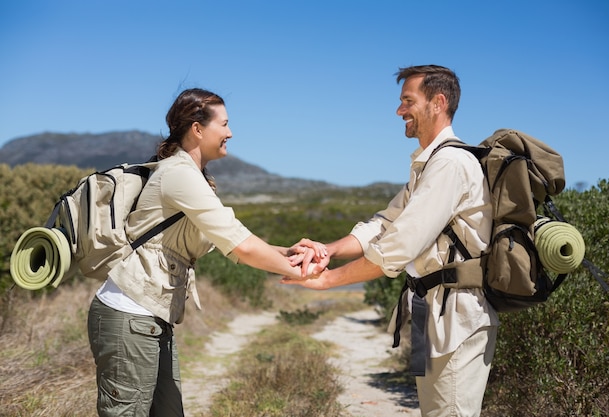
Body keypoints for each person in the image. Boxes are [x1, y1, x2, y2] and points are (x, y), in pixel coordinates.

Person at [283, 65, 499, 417]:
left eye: (407, 101)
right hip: (427, 313)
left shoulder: (451, 164)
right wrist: (329, 250)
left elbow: (398, 247)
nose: (399, 111)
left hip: (457, 318)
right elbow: (383, 224)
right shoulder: (428, 165)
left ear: (437, 102)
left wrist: (329, 280)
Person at [86, 88, 313, 417]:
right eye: (224, 124)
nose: (230, 133)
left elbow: (231, 239)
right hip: (130, 313)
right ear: (197, 128)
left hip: (150, 317)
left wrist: (287, 253)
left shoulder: (193, 177)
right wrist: (306, 273)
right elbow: (242, 246)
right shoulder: (178, 175)